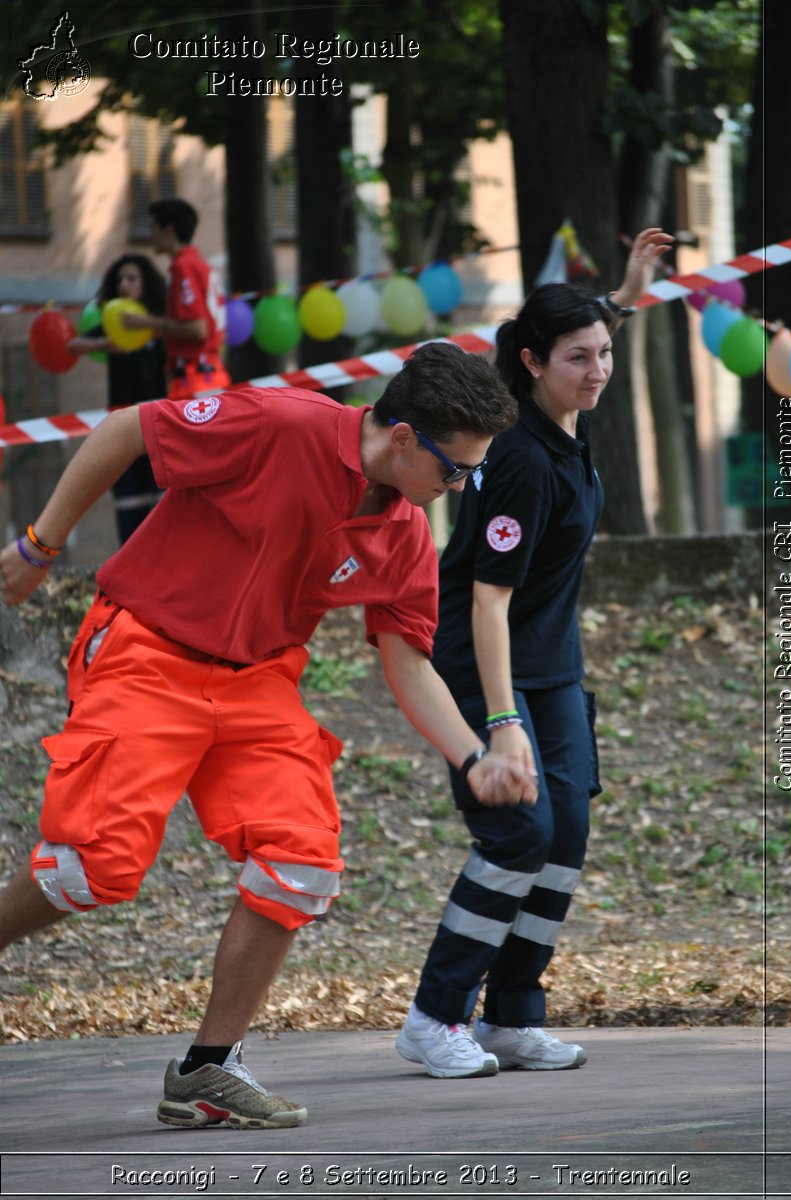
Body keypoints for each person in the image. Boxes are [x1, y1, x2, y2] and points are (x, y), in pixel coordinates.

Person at [0, 342, 536, 1131]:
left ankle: (206, 1071)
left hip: (257, 681)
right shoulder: (279, 424)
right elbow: (125, 430)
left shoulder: (403, 532)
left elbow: (409, 664)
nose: (458, 486)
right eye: (453, 470)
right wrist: (40, 546)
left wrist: (472, 754)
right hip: (147, 649)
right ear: (400, 438)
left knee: (300, 867)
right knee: (90, 869)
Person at [396, 229, 674, 1079]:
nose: (595, 371)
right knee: (519, 832)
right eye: (576, 358)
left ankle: (511, 1016)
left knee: (565, 836)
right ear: (531, 361)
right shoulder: (518, 460)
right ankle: (435, 1016)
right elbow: (486, 599)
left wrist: (621, 293)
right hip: (483, 665)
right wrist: (503, 720)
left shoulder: (559, 417)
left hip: (553, 665)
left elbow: (587, 336)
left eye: (602, 354)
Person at [67, 254, 167, 543]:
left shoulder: (158, 324)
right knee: (128, 506)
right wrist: (103, 344)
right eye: (120, 279)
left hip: (157, 425)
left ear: (145, 283)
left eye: (131, 278)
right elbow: (72, 345)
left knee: (163, 505)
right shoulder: (114, 321)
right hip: (121, 427)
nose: (124, 284)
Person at [121, 198, 230, 400]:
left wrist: (146, 323)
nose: (150, 235)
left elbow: (197, 329)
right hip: (206, 375)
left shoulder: (184, 267)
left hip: (194, 379)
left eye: (154, 228)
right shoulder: (198, 264)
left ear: (169, 232)